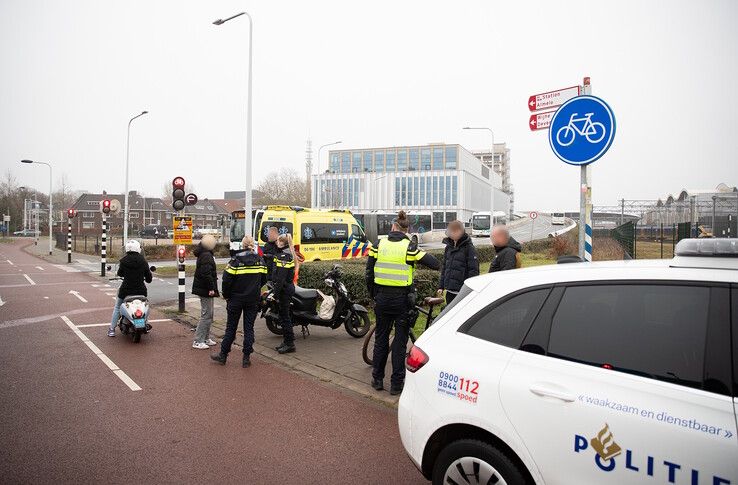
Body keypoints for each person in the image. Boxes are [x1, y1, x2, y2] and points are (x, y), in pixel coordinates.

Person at [366, 210, 440, 395]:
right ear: (407, 230)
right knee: (399, 344)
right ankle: (397, 384)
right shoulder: (409, 247)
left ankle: (377, 379)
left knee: (381, 340)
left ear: (393, 226)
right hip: (402, 301)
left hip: (382, 299)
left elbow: (369, 272)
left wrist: (374, 295)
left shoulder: (378, 244)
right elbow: (435, 263)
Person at [211, 236, 267, 368]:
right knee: (249, 328)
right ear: (252, 245)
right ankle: (246, 358)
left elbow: (226, 280)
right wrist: (255, 289)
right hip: (252, 299)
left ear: (242, 245)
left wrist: (227, 295)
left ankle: (223, 355)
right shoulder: (260, 260)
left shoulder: (235, 260)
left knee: (231, 328)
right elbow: (264, 278)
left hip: (236, 299)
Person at [108, 239, 153, 337]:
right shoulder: (143, 261)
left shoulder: (123, 261)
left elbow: (120, 273)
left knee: (117, 307)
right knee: (144, 305)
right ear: (138, 248)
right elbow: (149, 278)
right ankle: (145, 324)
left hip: (126, 290)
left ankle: (111, 329)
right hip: (141, 290)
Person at [437, 220, 479, 304]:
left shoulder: (469, 248)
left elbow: (473, 270)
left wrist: (469, 288)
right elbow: (445, 267)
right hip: (450, 290)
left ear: (460, 231)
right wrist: (441, 286)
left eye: (453, 232)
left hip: (462, 291)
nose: (450, 234)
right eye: (450, 232)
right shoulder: (448, 247)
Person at [192, 234, 219, 349]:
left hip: (204, 288)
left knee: (209, 314)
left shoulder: (204, 254)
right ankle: (198, 340)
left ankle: (206, 338)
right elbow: (206, 273)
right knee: (206, 315)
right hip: (205, 289)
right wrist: (211, 288)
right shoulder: (207, 255)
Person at [272, 233, 297, 354]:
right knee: (283, 317)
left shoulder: (284, 256)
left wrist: (275, 294)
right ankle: (286, 341)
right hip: (286, 288)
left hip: (284, 290)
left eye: (278, 241)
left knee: (285, 317)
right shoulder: (287, 253)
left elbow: (281, 278)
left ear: (282, 243)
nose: (276, 242)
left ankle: (290, 343)